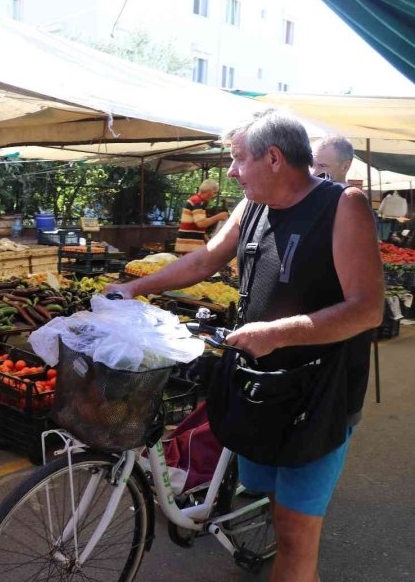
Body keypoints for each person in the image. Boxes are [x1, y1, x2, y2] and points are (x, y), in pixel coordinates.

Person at [107, 109, 383, 582]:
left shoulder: (343, 207)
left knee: (296, 540)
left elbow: (366, 309)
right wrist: (134, 288)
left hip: (319, 394)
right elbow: (208, 258)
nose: (231, 173)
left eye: (238, 160)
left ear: (273, 158)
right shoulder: (252, 205)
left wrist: (276, 333)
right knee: (275, 502)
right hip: (259, 384)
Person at [174, 178, 229, 254]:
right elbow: (201, 223)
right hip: (189, 245)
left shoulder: (198, 201)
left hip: (190, 244)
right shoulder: (197, 202)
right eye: (214, 193)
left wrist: (208, 241)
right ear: (207, 191)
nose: (214, 196)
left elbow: (198, 227)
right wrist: (219, 216)